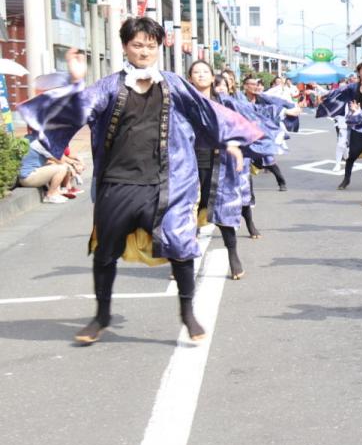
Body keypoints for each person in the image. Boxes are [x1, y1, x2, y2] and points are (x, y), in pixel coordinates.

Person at [17, 19, 262, 344]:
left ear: (158, 48)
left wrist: (231, 140)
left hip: (169, 185)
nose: (144, 51)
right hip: (118, 184)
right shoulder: (108, 86)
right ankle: (101, 316)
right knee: (105, 252)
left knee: (180, 247)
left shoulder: (174, 84)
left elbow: (208, 112)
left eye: (150, 45)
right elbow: (79, 111)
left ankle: (188, 314)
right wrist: (75, 82)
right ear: (125, 47)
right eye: (137, 45)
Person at [190, 60, 256, 279]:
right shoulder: (184, 102)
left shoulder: (225, 102)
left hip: (220, 165)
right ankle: (181, 261)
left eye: (205, 72)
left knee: (223, 211)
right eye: (196, 72)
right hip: (188, 165)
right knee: (185, 213)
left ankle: (233, 256)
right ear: (190, 78)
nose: (200, 75)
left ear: (212, 78)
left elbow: (246, 120)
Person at [333, 62, 362, 190]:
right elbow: (340, 96)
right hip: (358, 128)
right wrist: (352, 109)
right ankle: (346, 180)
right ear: (359, 73)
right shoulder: (352, 87)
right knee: (352, 157)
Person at [16, 136, 74, 203]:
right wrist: (72, 166)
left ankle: (56, 193)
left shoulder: (30, 138)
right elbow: (59, 160)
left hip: (23, 176)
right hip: (28, 177)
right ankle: (50, 195)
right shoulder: (41, 144)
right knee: (62, 168)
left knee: (54, 166)